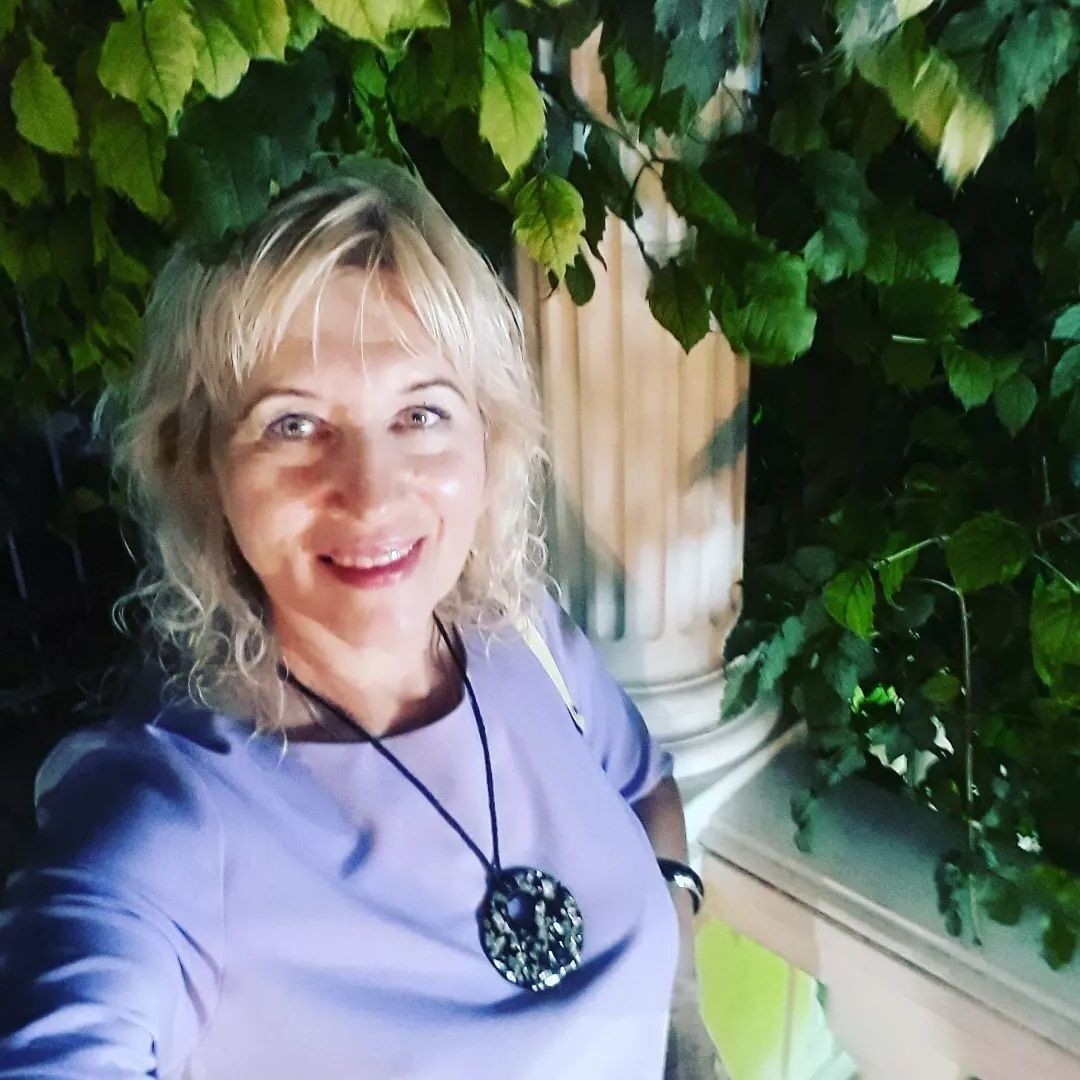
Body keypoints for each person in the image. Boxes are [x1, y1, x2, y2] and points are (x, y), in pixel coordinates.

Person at [0, 160, 722, 1078]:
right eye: (293, 425)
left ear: (490, 436)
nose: (372, 495)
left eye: (421, 413)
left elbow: (646, 786)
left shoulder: (525, 637)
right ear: (200, 467)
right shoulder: (164, 813)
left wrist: (681, 1015)